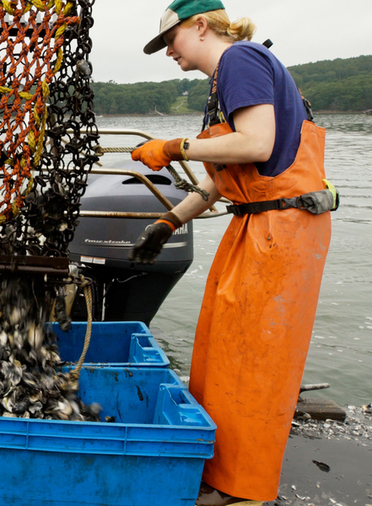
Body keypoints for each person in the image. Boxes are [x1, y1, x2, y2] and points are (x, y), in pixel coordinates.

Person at [129, 1, 336, 504]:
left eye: (171, 40)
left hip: (282, 228)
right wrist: (168, 222)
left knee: (254, 360)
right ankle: (220, 469)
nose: (168, 52)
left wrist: (174, 146)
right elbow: (220, 181)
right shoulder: (223, 82)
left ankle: (246, 490)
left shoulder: (240, 60)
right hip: (258, 225)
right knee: (221, 353)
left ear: (201, 25)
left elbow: (257, 144)